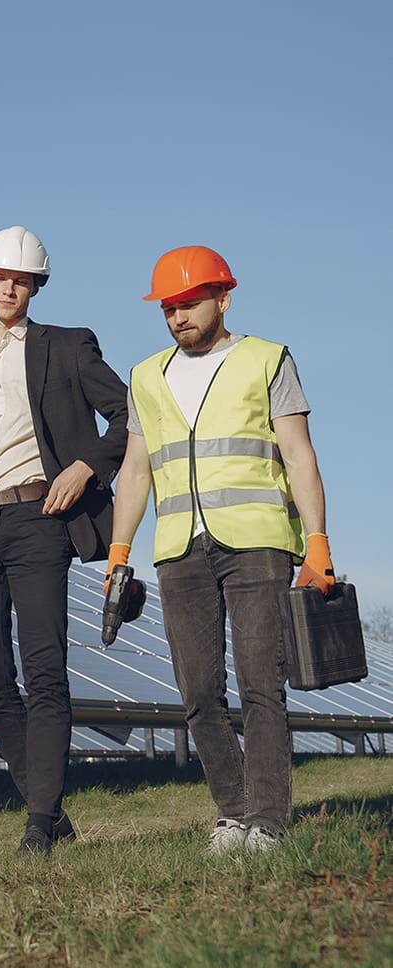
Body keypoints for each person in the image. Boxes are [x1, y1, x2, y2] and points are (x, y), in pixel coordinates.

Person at [106, 245, 334, 855]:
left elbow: (299, 455)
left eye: (189, 304)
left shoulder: (267, 360)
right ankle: (232, 815)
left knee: (262, 684)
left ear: (223, 298)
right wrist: (119, 551)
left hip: (258, 543)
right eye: (168, 308)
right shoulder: (145, 376)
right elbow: (135, 471)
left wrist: (317, 542)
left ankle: (269, 822)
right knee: (198, 693)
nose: (178, 316)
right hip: (178, 550)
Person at [0, 226, 128, 854]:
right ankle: (47, 804)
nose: (10, 287)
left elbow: (129, 412)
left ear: (35, 287)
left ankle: (39, 821)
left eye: (22, 279)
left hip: (40, 519)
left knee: (44, 670)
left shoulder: (68, 347)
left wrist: (86, 465)